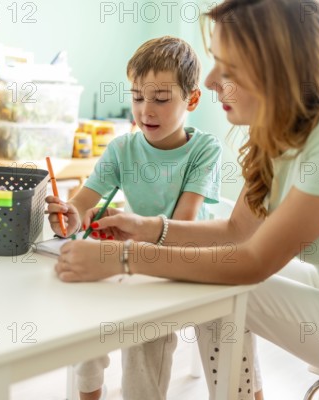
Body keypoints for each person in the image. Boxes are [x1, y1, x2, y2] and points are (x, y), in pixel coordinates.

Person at [54, 0, 319, 398]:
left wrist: (121, 258)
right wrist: (148, 228)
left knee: (219, 287)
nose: (211, 81)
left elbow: (251, 262)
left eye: (228, 70)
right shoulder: (279, 123)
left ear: (274, 71)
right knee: (215, 275)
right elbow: (237, 231)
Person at [45, 36, 222, 400]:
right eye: (137, 97)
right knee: (85, 312)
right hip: (135, 258)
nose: (146, 111)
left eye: (160, 99)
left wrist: (128, 236)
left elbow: (182, 226)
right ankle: (89, 393)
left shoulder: (205, 149)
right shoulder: (122, 148)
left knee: (144, 335)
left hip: (185, 260)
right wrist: (69, 216)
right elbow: (81, 205)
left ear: (192, 99)